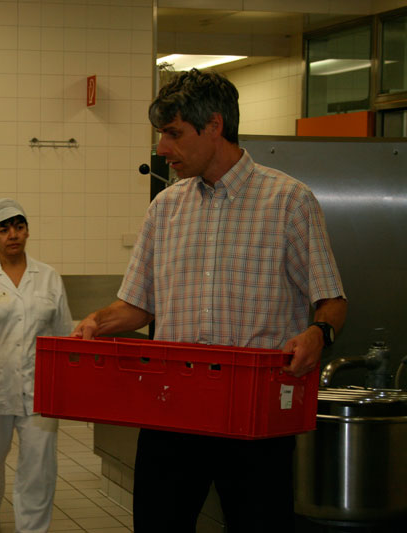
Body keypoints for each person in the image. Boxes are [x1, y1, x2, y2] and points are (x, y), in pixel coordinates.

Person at [74, 69, 347, 532]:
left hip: (254, 416)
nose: (162, 148)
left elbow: (332, 300)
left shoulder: (289, 202)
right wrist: (96, 322)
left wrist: (318, 333)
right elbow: (138, 305)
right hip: (172, 408)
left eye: (173, 134)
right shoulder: (166, 208)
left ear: (214, 125)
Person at [0, 199, 72, 533]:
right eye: (3, 229)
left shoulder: (49, 278)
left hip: (40, 390)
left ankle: (32, 529)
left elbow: (63, 335)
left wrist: (63, 387)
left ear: (27, 231)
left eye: (19, 226)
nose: (12, 235)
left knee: (39, 468)